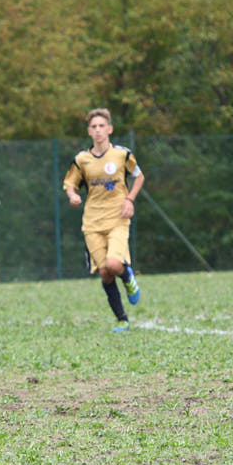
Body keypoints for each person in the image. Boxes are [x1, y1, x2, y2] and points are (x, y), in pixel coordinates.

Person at [63, 108, 145, 333]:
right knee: (105, 273)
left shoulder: (122, 154)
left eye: (102, 126)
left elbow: (139, 176)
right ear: (89, 131)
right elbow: (70, 184)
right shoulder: (82, 159)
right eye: (94, 127)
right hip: (92, 223)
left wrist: (129, 199)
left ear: (110, 129)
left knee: (114, 264)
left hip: (117, 218)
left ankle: (128, 278)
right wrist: (72, 196)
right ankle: (122, 320)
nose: (98, 130)